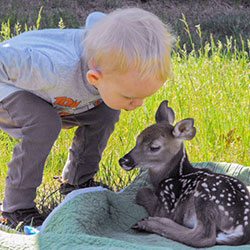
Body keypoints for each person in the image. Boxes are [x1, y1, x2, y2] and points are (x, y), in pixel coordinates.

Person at [0, 8, 173, 230]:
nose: (137, 104)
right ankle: (15, 208)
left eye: (142, 97)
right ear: (94, 77)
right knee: (44, 123)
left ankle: (77, 181)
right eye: (129, 97)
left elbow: (96, 19)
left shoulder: (107, 60)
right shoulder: (51, 67)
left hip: (49, 94)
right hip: (7, 83)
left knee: (105, 111)